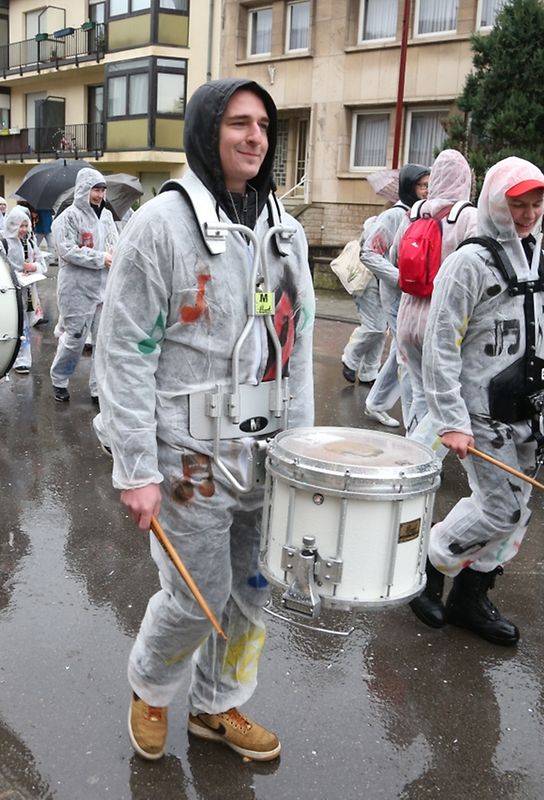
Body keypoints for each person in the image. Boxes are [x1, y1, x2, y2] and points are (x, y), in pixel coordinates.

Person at [94, 77, 314, 763]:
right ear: (207, 131)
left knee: (252, 592)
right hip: (186, 454)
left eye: (264, 126)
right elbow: (125, 350)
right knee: (196, 595)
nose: (255, 137)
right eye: (239, 123)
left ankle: (219, 706)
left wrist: (301, 451)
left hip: (264, 450)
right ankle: (152, 688)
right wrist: (134, 468)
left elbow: (296, 345)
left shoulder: (284, 232)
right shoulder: (160, 227)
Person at [407, 157, 544, 647]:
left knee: (520, 509)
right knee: (499, 509)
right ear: (495, 200)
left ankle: (471, 596)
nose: (529, 212)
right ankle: (425, 567)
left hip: (527, 409)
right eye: (518, 203)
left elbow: (543, 336)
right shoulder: (467, 263)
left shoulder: (540, 257)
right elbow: (439, 345)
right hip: (480, 412)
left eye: (537, 202)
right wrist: (451, 420)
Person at [394, 149, 478, 431]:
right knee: (446, 400)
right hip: (442, 323)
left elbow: (396, 256)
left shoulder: (414, 213)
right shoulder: (468, 217)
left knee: (420, 392)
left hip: (407, 318)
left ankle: (410, 454)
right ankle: (416, 465)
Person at [359, 164, 430, 427]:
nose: (427, 190)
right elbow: (368, 253)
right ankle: (416, 426)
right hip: (396, 297)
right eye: (422, 185)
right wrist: (400, 278)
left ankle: (375, 403)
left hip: (416, 297)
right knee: (409, 356)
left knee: (401, 352)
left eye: (429, 185)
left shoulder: (423, 214)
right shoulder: (393, 217)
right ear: (410, 186)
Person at [50, 168, 115, 404]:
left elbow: (114, 243)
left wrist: (113, 255)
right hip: (76, 289)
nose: (100, 195)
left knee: (102, 341)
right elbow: (66, 250)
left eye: (102, 190)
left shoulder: (106, 216)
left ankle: (98, 389)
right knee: (75, 339)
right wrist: (100, 258)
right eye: (96, 190)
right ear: (84, 190)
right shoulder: (67, 218)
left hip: (103, 289)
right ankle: (59, 380)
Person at [338, 217, 386, 387]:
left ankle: (369, 372)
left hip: (381, 284)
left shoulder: (382, 222)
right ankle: (350, 360)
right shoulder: (378, 224)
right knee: (375, 327)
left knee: (380, 331)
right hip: (369, 282)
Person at [2, 205, 45, 374]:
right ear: (12, 225)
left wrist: (33, 267)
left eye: (26, 226)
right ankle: (10, 357)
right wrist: (15, 274)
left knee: (25, 324)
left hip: (27, 291)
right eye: (21, 226)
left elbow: (43, 265)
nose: (24, 230)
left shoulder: (30, 242)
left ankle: (23, 359)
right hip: (10, 292)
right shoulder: (3, 244)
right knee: (13, 324)